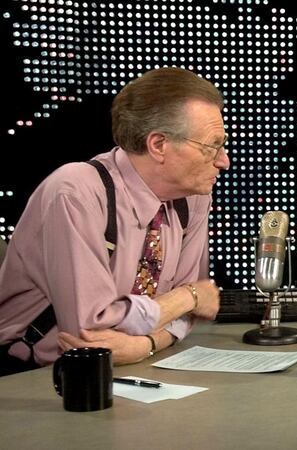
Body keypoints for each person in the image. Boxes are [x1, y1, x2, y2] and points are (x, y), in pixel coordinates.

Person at [0, 67, 228, 375]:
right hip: (32, 377)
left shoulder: (195, 198)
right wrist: (186, 296)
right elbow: (88, 331)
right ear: (158, 145)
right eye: (212, 145)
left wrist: (142, 345)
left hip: (129, 367)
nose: (223, 160)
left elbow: (185, 318)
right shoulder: (75, 192)